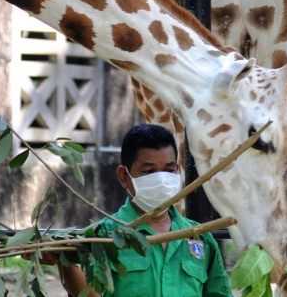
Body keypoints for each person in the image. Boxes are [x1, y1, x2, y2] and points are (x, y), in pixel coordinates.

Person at [44, 124, 233, 297]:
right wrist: (63, 260)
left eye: (169, 170)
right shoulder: (101, 238)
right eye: (149, 172)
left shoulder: (200, 238)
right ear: (124, 176)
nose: (161, 179)